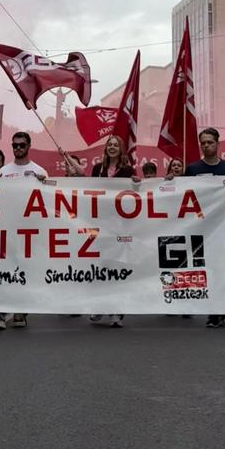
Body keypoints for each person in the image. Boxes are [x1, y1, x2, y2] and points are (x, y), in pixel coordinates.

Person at [0, 132, 48, 331]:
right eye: (15, 145)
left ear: (29, 146)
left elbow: (51, 197)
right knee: (4, 269)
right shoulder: (4, 170)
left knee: (24, 270)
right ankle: (0, 313)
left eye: (21, 145)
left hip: (30, 231)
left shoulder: (38, 170)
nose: (18, 148)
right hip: (7, 229)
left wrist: (45, 183)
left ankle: (20, 310)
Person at [184, 127, 225, 328]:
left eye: (210, 142)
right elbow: (181, 195)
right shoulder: (192, 169)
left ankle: (218, 311)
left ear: (218, 144)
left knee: (221, 269)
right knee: (204, 269)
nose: (206, 146)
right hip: (200, 228)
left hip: (223, 228)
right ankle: (210, 306)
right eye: (203, 143)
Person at [88, 135, 136, 328]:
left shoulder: (128, 170)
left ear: (120, 149)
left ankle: (116, 311)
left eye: (116, 145)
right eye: (110, 145)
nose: (112, 147)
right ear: (106, 148)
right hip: (100, 224)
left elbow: (135, 193)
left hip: (120, 225)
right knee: (100, 266)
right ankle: (100, 306)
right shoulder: (97, 169)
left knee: (116, 266)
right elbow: (87, 190)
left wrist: (136, 183)